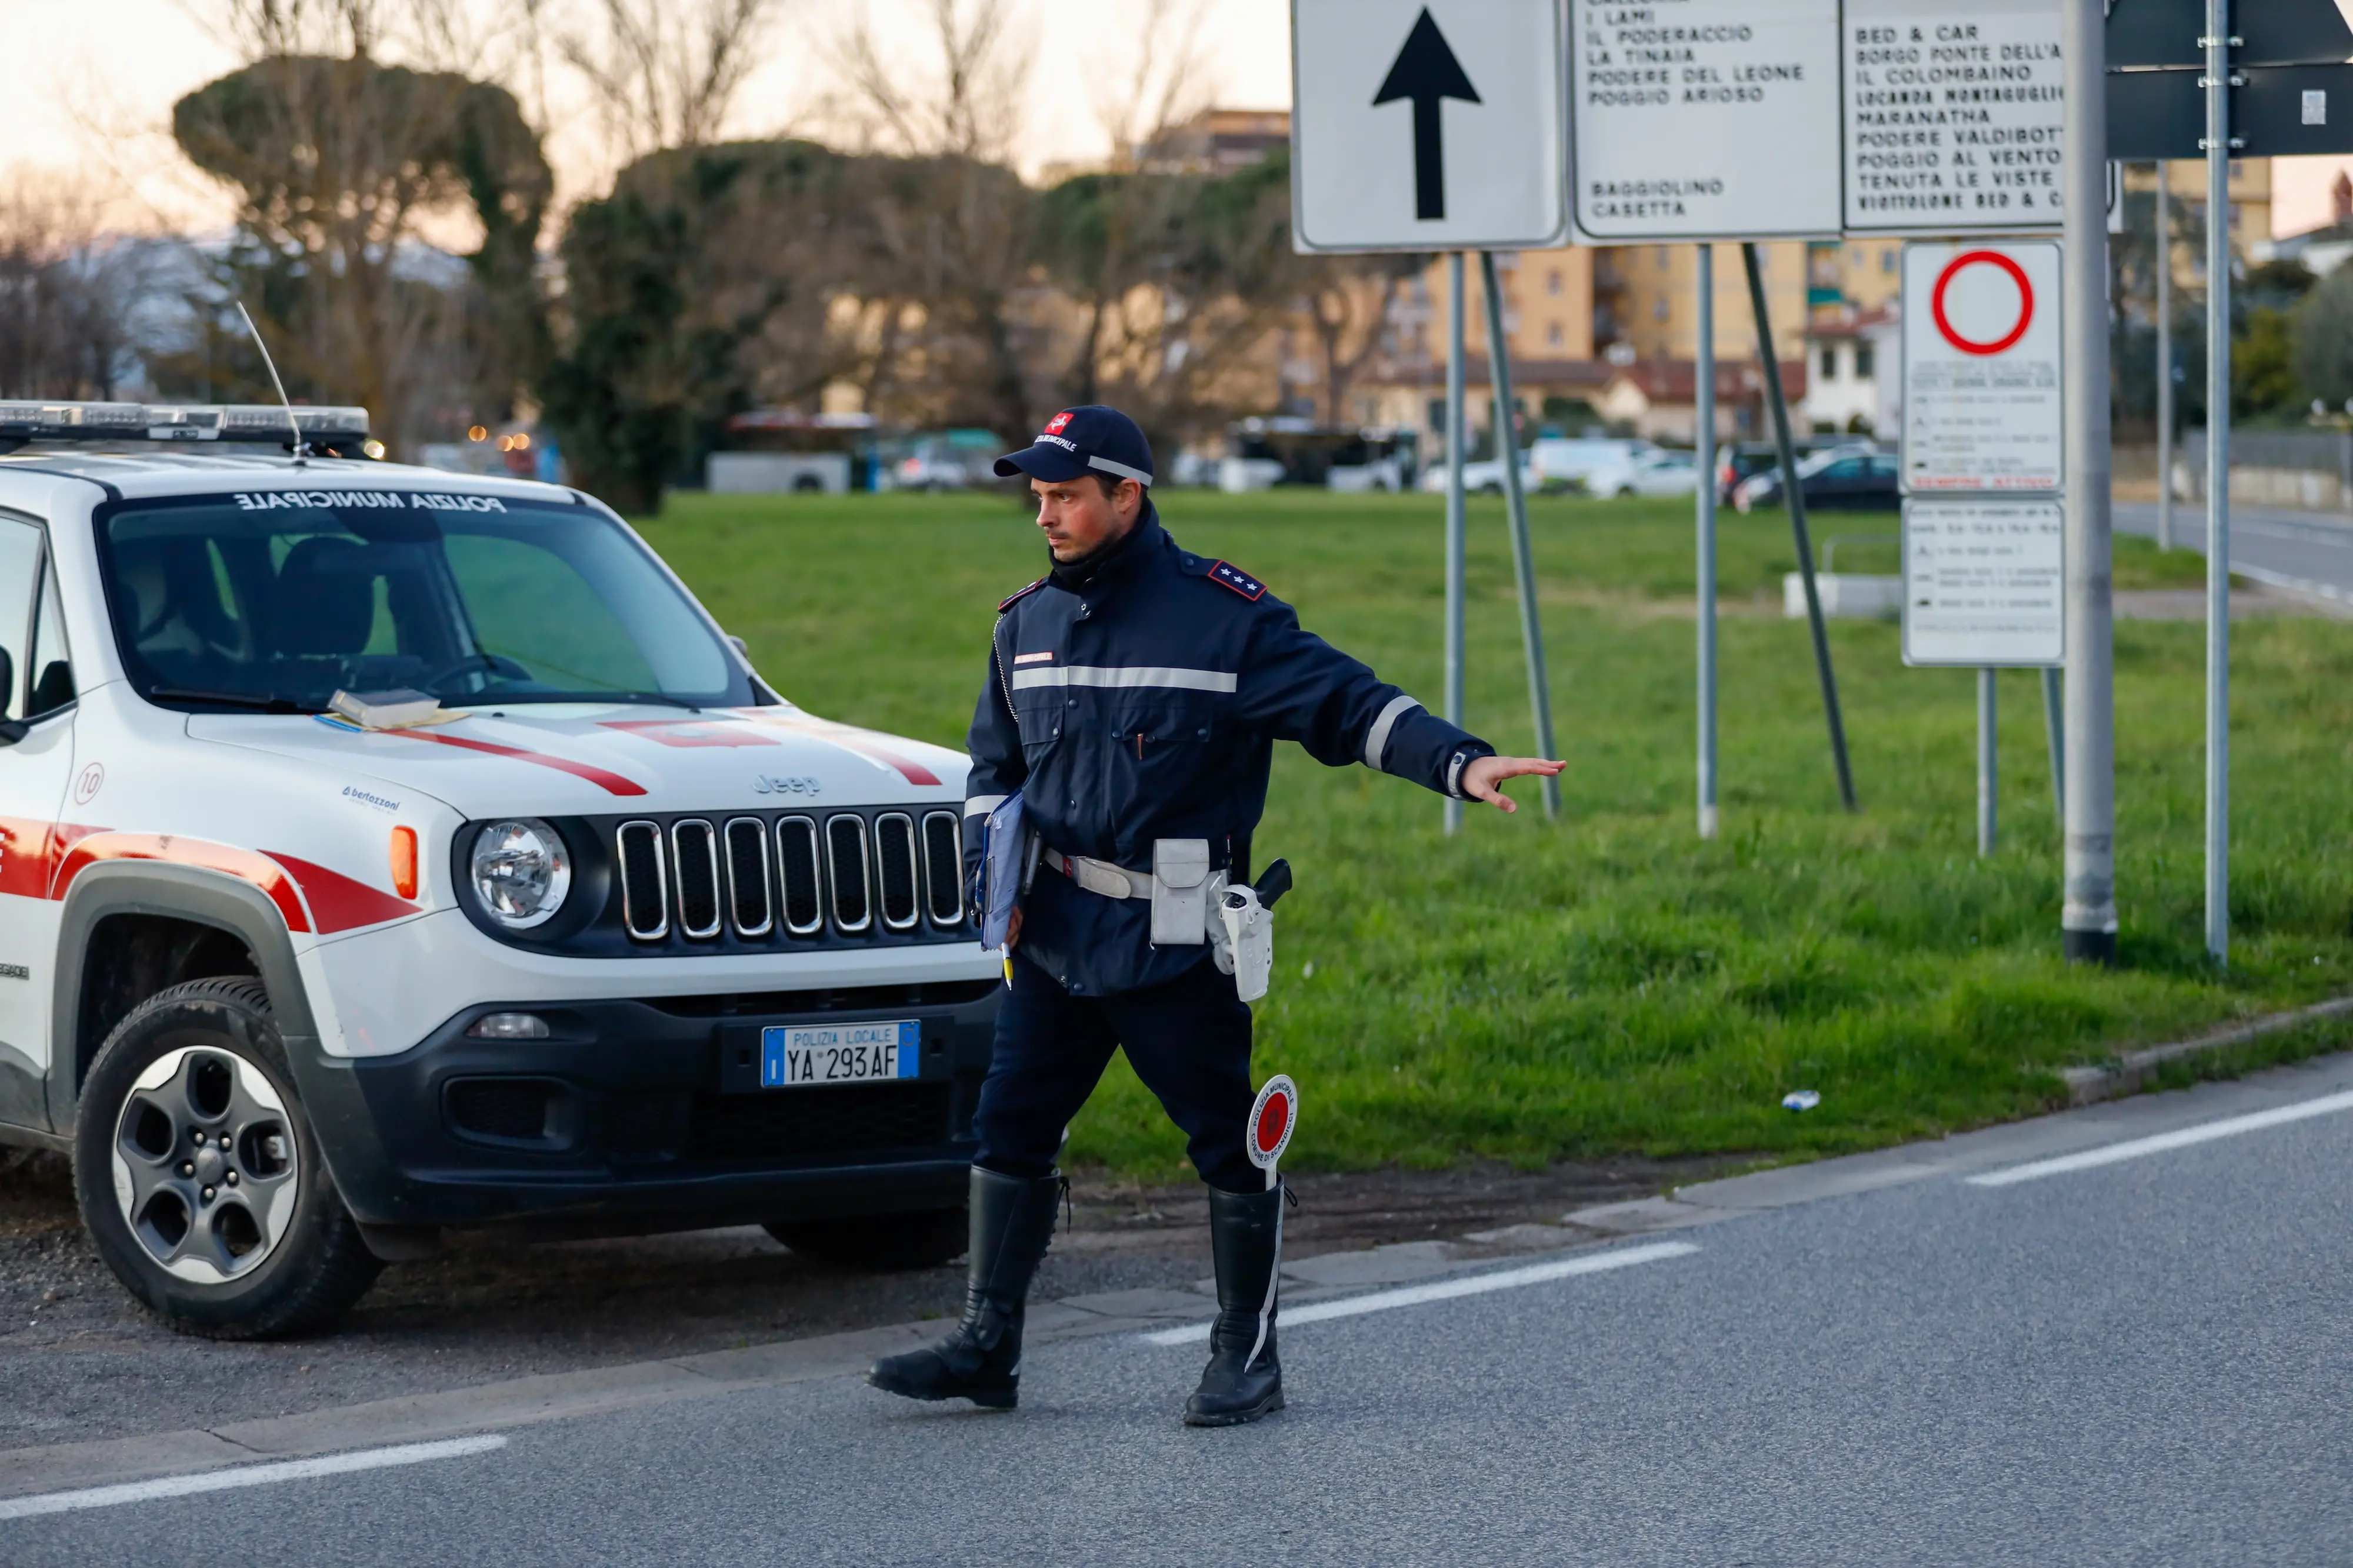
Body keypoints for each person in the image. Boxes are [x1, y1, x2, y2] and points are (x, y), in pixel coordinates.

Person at [867, 406, 1562, 1427]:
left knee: (1228, 1146)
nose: (1044, 516)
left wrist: (1461, 762)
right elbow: (994, 770)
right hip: (1055, 935)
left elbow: (1351, 708)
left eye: (1064, 496)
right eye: (1038, 497)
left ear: (1127, 495)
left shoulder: (1226, 619)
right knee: (1007, 1130)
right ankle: (988, 1347)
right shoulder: (1026, 625)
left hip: (1177, 938)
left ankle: (1247, 1354)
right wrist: (996, 892)